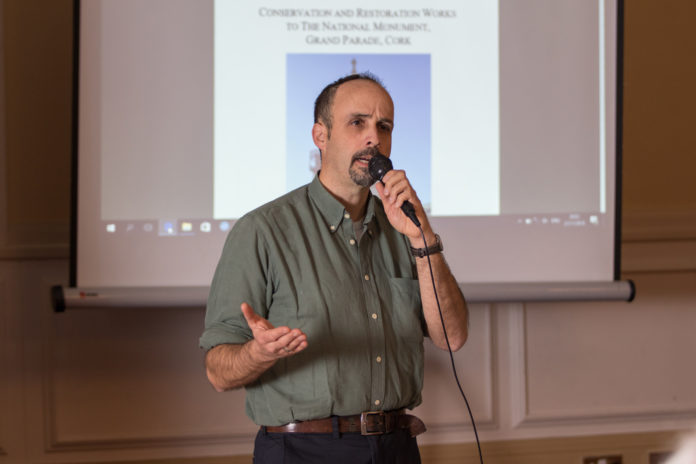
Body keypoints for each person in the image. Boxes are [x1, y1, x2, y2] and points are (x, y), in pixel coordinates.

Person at [199, 72, 469, 464]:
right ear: (320, 136)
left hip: (397, 447)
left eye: (384, 126)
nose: (374, 138)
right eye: (357, 122)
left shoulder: (404, 230)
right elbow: (217, 371)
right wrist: (258, 354)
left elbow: (453, 337)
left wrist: (423, 238)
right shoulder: (263, 230)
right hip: (303, 451)